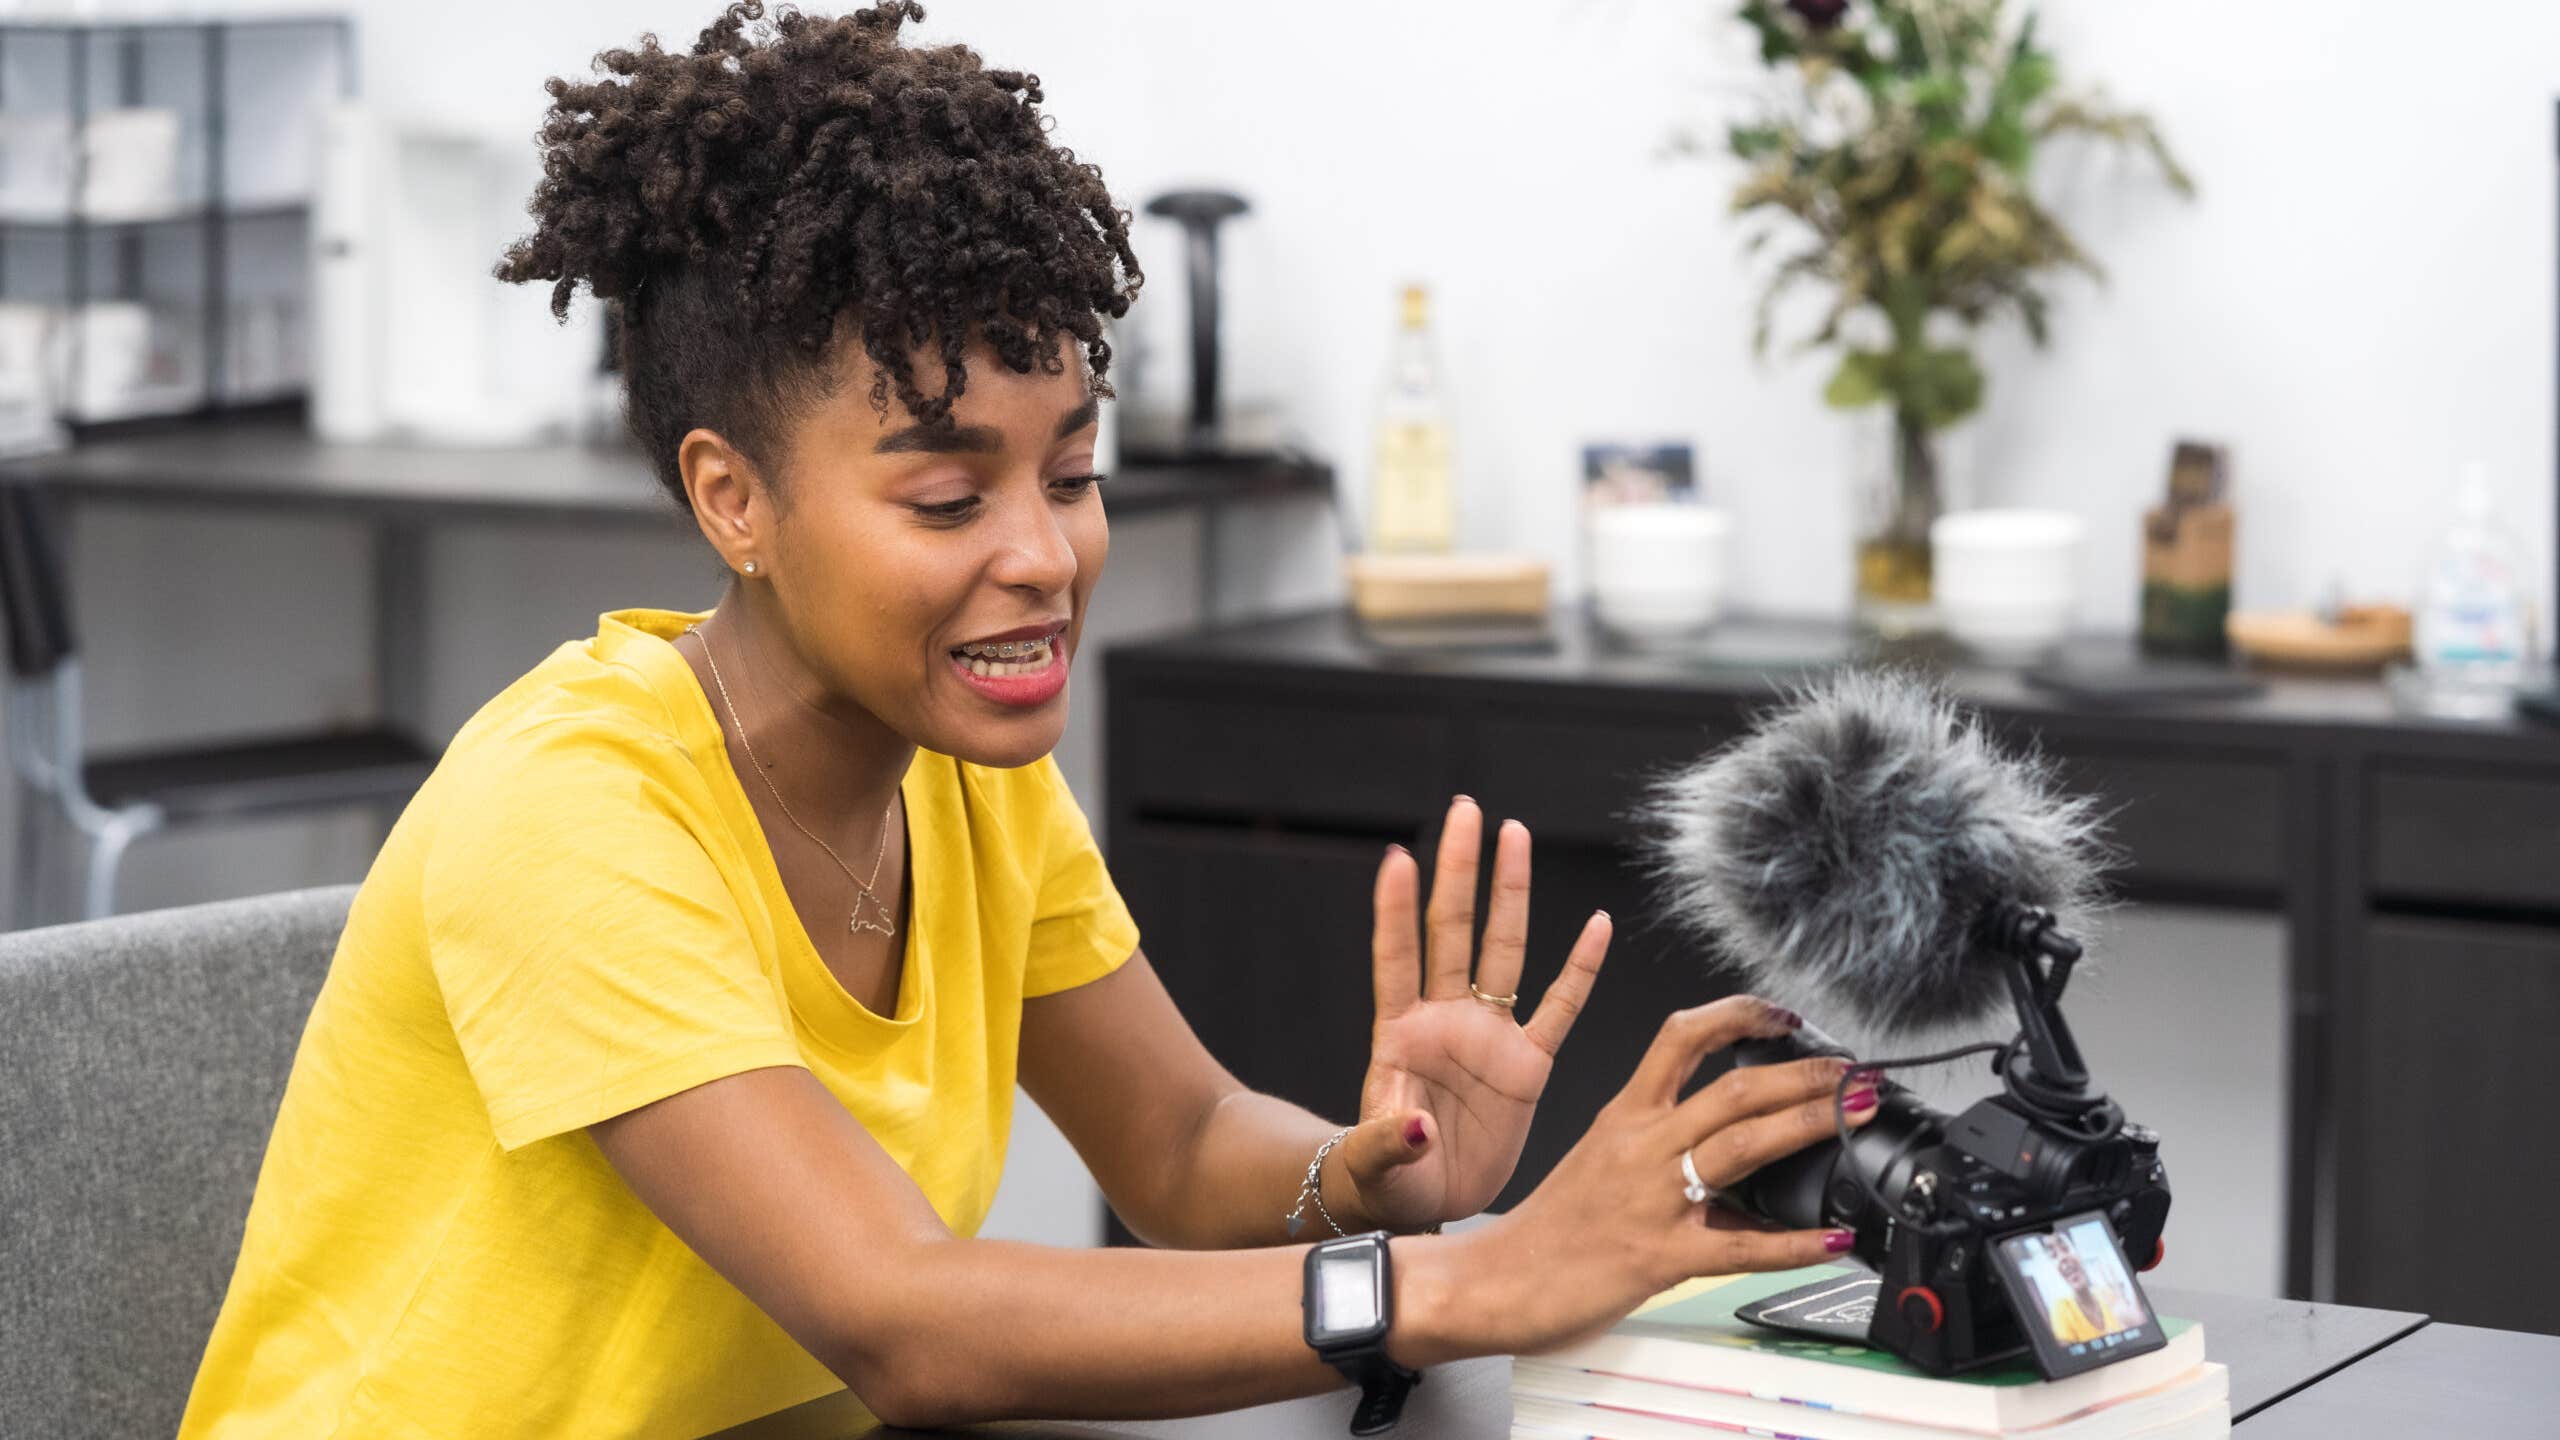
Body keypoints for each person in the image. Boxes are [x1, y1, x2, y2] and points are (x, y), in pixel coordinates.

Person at [175, 5, 1875, 1435]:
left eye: (1072, 475)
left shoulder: (957, 774)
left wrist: (1377, 1177)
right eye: (942, 499)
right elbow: (906, 1323)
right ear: (733, 500)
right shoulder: (574, 810)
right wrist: (1463, 1280)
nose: (1043, 557)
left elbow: (1187, 1145)